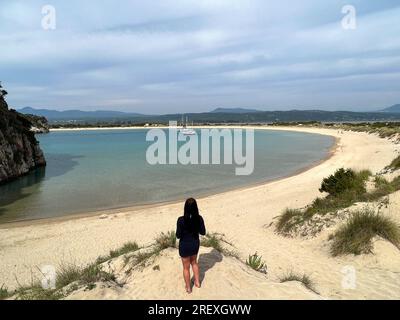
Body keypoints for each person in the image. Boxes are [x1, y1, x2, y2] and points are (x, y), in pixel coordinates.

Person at [176, 198, 206, 293]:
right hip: (194, 244)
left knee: (186, 267)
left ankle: (188, 287)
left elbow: (178, 235)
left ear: (185, 208)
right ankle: (197, 282)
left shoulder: (181, 220)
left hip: (184, 245)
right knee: (194, 263)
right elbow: (203, 232)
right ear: (196, 207)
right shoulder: (199, 218)